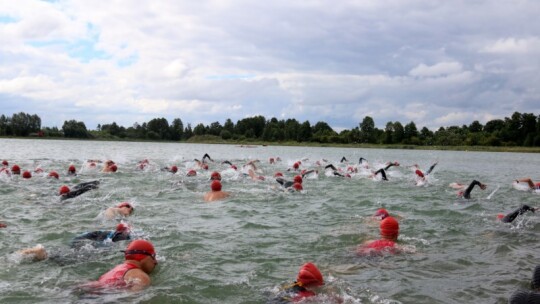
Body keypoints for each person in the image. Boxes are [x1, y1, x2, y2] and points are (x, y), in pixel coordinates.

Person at [83, 239, 157, 291]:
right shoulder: (140, 276)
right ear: (142, 256)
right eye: (153, 256)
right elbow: (133, 299)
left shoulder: (113, 271)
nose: (155, 262)